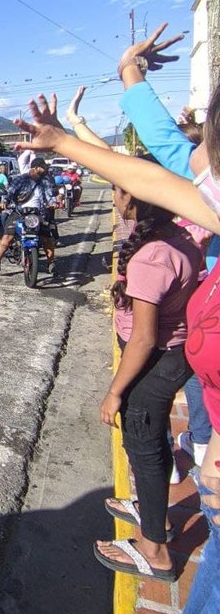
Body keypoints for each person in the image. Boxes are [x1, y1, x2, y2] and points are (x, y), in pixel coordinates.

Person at [13, 25, 220, 614]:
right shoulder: (198, 221)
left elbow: (165, 168)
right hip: (211, 443)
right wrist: (76, 131)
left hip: (178, 390)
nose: (126, 197)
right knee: (207, 611)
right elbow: (164, 163)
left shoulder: (167, 250)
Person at [95, 186, 199, 581]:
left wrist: (115, 391)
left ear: (134, 201)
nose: (115, 196)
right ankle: (149, 508)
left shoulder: (150, 257)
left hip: (155, 361)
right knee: (151, 444)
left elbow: (143, 338)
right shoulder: (179, 235)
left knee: (144, 445)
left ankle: (154, 549)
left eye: (120, 190)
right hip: (171, 355)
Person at [0, 156, 56, 273]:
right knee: (7, 237)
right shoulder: (21, 179)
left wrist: (53, 203)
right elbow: (10, 192)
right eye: (43, 167)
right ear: (35, 168)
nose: (45, 170)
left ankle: (51, 263)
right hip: (19, 212)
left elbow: (50, 197)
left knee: (47, 238)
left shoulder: (45, 181)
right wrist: (5, 201)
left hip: (38, 213)